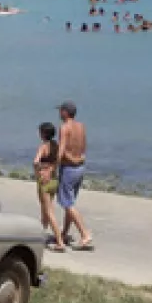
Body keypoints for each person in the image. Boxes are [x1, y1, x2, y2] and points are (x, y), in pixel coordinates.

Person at [57, 101, 93, 250]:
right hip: (80, 167)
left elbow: (61, 150)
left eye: (60, 111)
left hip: (69, 169)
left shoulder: (64, 127)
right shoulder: (81, 126)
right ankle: (64, 233)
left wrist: (54, 166)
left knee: (67, 203)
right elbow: (83, 147)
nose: (59, 113)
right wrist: (78, 158)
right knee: (70, 202)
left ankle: (85, 233)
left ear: (65, 112)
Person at [33, 122, 65, 251]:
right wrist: (51, 168)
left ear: (43, 134)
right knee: (45, 210)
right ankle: (41, 236)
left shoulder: (43, 146)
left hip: (44, 181)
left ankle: (60, 241)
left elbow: (36, 162)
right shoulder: (56, 145)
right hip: (54, 180)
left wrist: (40, 170)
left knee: (48, 211)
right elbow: (58, 160)